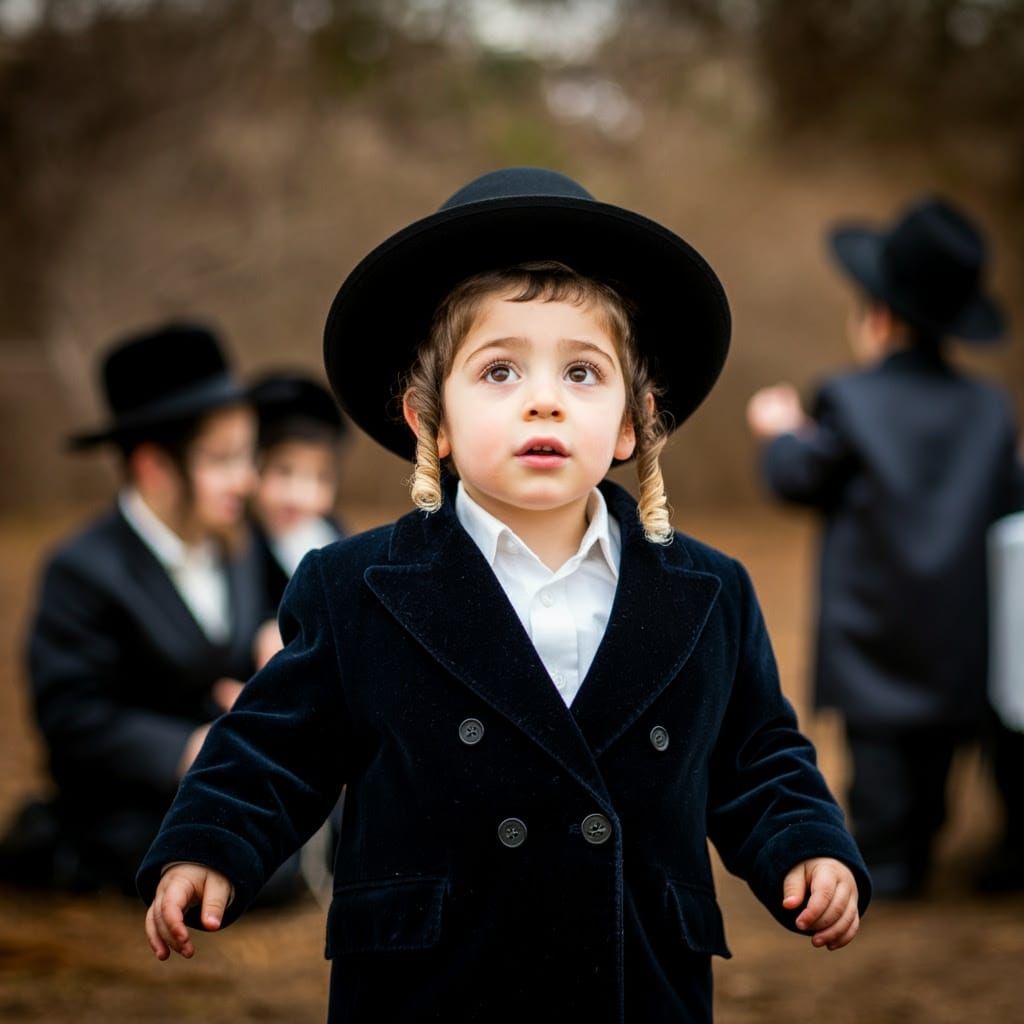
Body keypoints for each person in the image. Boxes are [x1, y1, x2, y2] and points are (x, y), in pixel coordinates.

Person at [139, 168, 869, 1023]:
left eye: (583, 373)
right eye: (499, 372)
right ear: (430, 420)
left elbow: (758, 757)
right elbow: (275, 745)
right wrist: (209, 844)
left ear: (632, 423)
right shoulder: (356, 589)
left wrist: (807, 846)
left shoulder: (708, 593)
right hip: (433, 986)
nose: (545, 402)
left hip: (636, 981)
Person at [747, 196, 1023, 899]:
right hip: (961, 639)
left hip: (875, 640)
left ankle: (896, 863)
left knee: (884, 793)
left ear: (878, 317)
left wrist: (780, 431)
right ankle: (948, 843)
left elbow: (800, 479)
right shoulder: (989, 408)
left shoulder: (848, 399)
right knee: (938, 769)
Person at [0, 323, 278, 896]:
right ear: (154, 466)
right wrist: (188, 748)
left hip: (237, 790)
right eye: (223, 460)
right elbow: (73, 715)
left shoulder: (241, 543)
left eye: (248, 456)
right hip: (131, 808)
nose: (247, 480)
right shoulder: (83, 570)